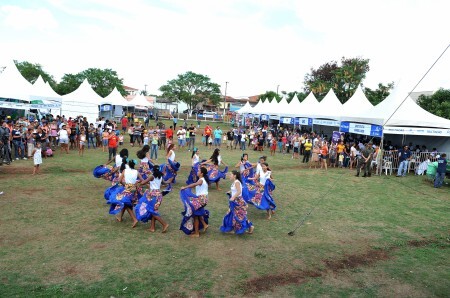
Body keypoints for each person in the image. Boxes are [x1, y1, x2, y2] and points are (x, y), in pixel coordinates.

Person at [107, 159, 142, 228]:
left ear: (128, 165)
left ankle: (134, 219)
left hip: (127, 188)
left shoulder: (125, 171)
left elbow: (119, 180)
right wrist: (136, 183)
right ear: (134, 165)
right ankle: (120, 217)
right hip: (134, 189)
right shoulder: (136, 172)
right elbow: (141, 180)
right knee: (125, 202)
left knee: (125, 202)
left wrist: (124, 184)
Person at [135, 166, 170, 232]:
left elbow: (143, 183)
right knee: (153, 210)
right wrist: (169, 181)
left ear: (153, 170)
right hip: (159, 195)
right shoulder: (160, 177)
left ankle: (164, 224)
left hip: (153, 195)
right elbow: (164, 183)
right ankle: (152, 227)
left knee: (151, 211)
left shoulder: (152, 176)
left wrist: (138, 182)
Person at [220, 170, 254, 234]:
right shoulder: (235, 182)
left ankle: (250, 226)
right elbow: (235, 189)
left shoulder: (237, 182)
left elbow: (239, 191)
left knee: (240, 216)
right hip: (235, 201)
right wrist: (229, 191)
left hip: (238, 201)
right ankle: (232, 228)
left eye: (231, 175)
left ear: (234, 176)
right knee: (232, 214)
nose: (229, 176)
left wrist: (233, 197)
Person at [180, 167, 210, 238]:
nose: (197, 171)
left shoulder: (201, 180)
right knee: (197, 213)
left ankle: (197, 233)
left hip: (201, 199)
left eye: (199, 171)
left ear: (201, 173)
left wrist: (185, 187)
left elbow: (195, 184)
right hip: (203, 199)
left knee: (194, 213)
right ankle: (204, 225)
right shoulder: (203, 179)